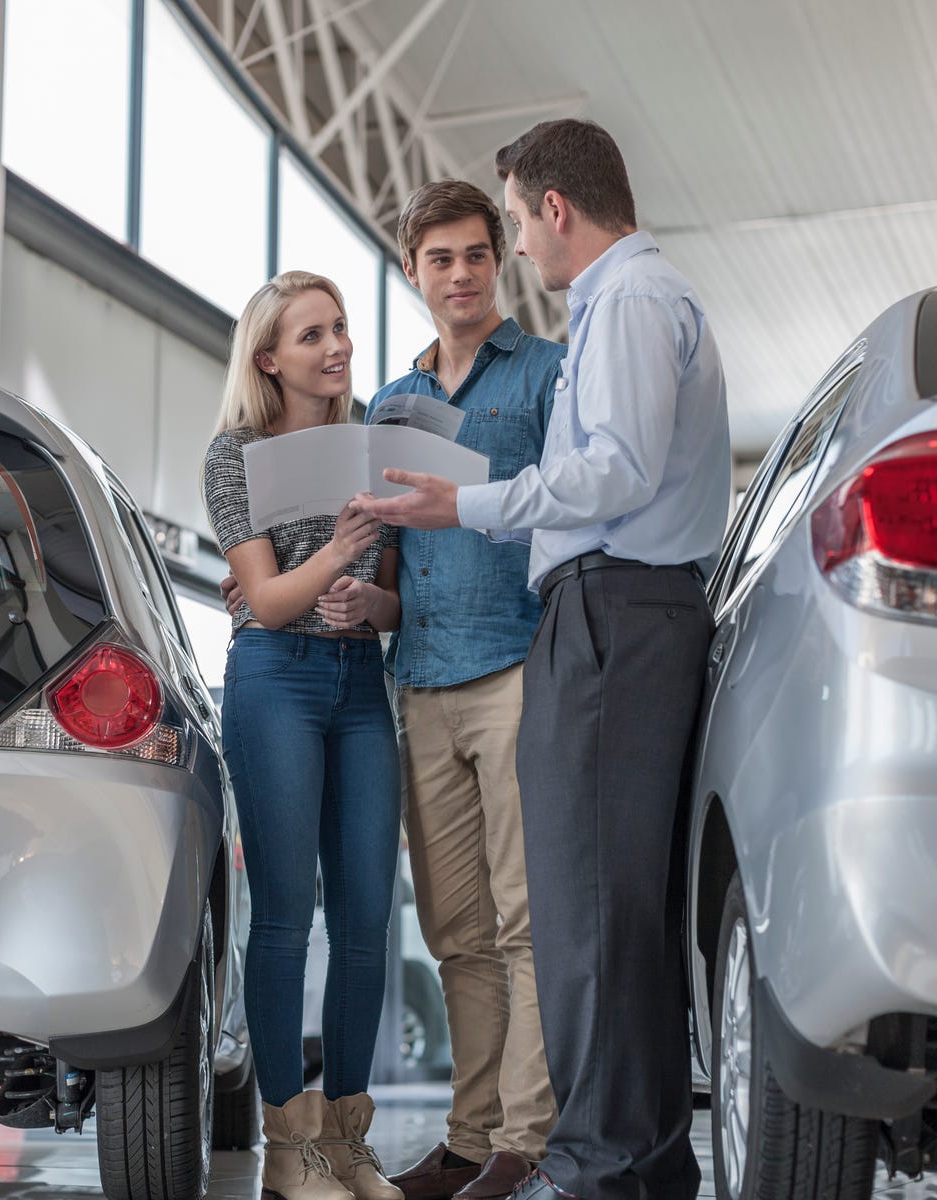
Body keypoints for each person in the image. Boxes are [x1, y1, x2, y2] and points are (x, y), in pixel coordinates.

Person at [354, 121, 731, 1200]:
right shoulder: (629, 303)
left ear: (554, 210)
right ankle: (630, 1164)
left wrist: (460, 502)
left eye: (511, 226)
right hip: (598, 616)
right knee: (593, 913)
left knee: (585, 917)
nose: (512, 249)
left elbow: (610, 473)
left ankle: (598, 1166)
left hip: (611, 614)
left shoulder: (625, 306)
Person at [369, 180, 563, 1200]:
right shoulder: (388, 406)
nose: (460, 274)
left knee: (525, 917)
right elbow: (398, 566)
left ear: (501, 259)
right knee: (455, 932)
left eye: (476, 254)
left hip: (518, 668)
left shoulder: (546, 376)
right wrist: (368, 604)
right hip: (423, 681)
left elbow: (578, 512)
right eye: (439, 259)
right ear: (413, 272)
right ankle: (468, 1135)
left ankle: (525, 1143)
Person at [202, 270, 404, 1200]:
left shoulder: (375, 445)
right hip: (275, 681)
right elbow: (269, 601)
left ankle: (348, 1138)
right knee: (286, 917)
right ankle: (289, 1145)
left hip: (361, 680)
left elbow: (395, 594)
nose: (336, 347)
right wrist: (335, 547)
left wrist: (376, 596)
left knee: (366, 916)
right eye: (313, 334)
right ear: (269, 357)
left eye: (342, 328)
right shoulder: (233, 456)